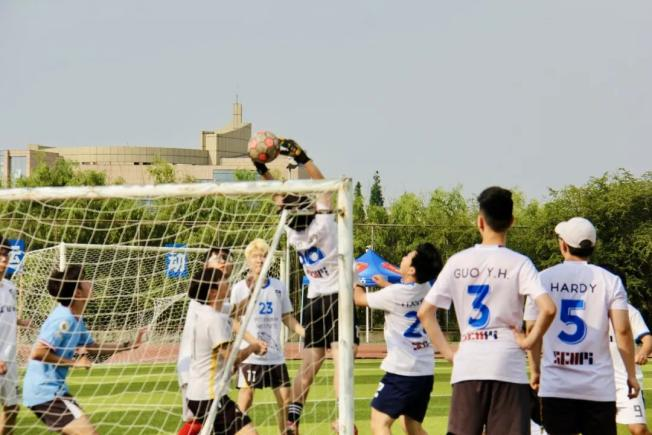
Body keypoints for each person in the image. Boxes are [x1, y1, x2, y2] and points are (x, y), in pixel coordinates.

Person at [417, 186, 556, 435]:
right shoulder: (520, 263)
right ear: (511, 222)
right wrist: (529, 341)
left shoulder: (457, 261)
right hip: (508, 365)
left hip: (469, 364)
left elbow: (425, 313)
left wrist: (449, 353)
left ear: (479, 221)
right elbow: (548, 308)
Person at [251, 139, 359, 434]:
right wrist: (302, 157)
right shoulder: (324, 225)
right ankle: (344, 420)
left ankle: (292, 420)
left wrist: (262, 169)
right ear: (309, 209)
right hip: (337, 298)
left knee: (309, 365)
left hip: (313, 300)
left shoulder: (292, 233)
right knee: (341, 359)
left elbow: (278, 197)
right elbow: (325, 187)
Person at [524, 217, 640, 435]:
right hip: (598, 387)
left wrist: (535, 370)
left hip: (556, 385)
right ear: (593, 247)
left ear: (563, 245)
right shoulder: (610, 280)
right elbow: (623, 331)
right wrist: (631, 374)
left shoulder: (541, 279)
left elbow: (532, 331)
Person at [22, 265, 144, 435]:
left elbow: (93, 347)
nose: (90, 282)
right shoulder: (64, 319)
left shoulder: (75, 319)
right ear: (78, 293)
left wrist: (128, 345)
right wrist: (74, 362)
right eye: (85, 280)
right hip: (45, 392)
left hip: (53, 391)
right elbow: (38, 353)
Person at [353, 243, 443, 435]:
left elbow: (359, 299)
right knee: (411, 426)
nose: (403, 257)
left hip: (403, 371)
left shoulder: (393, 294)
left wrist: (356, 278)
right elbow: (407, 294)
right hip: (424, 370)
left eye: (407, 256)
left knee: (379, 423)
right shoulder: (427, 287)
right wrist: (386, 286)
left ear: (411, 270)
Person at [230, 238, 305, 434]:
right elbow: (233, 321)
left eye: (263, 256)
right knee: (246, 399)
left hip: (275, 356)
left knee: (286, 401)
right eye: (255, 256)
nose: (260, 260)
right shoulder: (239, 288)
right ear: (248, 260)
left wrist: (305, 333)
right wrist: (253, 343)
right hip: (250, 356)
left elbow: (287, 317)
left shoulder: (279, 286)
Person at [184, 267, 265, 435]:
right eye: (223, 280)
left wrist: (252, 291)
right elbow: (233, 358)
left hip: (201, 394)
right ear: (213, 292)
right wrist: (254, 347)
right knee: (249, 433)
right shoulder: (214, 319)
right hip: (208, 396)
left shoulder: (211, 311)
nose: (228, 282)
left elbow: (240, 309)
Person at [601, 265, 651, 435]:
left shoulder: (629, 311)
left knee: (639, 430)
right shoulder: (589, 311)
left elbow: (647, 339)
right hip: (598, 381)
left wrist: (643, 352)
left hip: (626, 381)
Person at [0, 238, 30, 435]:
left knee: (12, 408)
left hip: (9, 360)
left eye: (6, 254)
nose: (4, 259)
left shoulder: (10, 287)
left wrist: (21, 321)